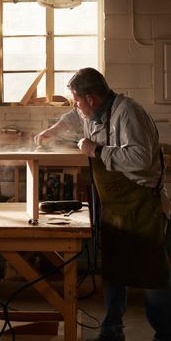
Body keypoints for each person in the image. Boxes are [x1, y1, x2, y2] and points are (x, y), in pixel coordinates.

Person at [34, 68, 171, 341]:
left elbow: (141, 159)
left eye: (77, 100)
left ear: (92, 98)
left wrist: (96, 150)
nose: (76, 106)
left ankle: (165, 333)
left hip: (142, 205)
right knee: (113, 271)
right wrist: (53, 130)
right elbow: (74, 116)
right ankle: (112, 329)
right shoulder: (93, 112)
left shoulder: (128, 113)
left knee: (152, 274)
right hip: (115, 207)